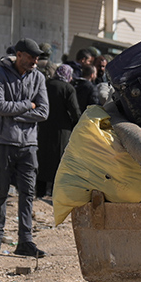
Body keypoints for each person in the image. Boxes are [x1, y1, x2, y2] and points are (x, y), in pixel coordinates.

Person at [0, 37, 49, 257]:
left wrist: (18, 115)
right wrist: (27, 105)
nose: (35, 60)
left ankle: (26, 241)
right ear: (19, 55)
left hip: (29, 144)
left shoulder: (38, 78)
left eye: (37, 57)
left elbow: (43, 112)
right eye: (31, 56)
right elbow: (0, 107)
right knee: (1, 193)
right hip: (3, 142)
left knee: (28, 194)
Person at [36, 63, 82, 198]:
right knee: (59, 162)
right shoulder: (68, 88)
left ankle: (40, 192)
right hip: (62, 132)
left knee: (43, 160)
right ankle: (56, 194)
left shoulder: (46, 84)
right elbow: (75, 111)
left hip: (43, 128)